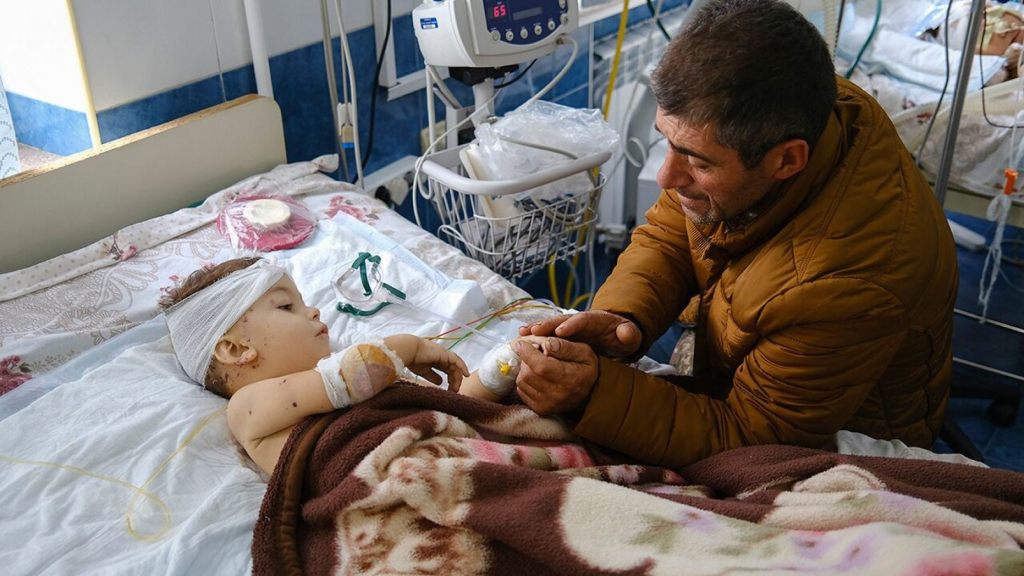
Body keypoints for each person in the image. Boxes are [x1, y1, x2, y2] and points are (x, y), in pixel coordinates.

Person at [516, 0, 958, 469]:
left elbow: (756, 437)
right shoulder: (791, 107)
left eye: (698, 162)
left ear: (787, 160)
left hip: (839, 439)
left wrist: (594, 395)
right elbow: (671, 232)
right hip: (755, 368)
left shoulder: (848, 280)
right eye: (667, 141)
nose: (666, 176)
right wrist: (624, 318)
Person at [162, 257, 523, 475]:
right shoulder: (247, 406)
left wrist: (506, 364)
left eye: (303, 302)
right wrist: (408, 347)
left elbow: (458, 413)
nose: (313, 311)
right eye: (286, 307)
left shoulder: (371, 376)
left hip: (453, 457)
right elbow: (356, 374)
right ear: (235, 349)